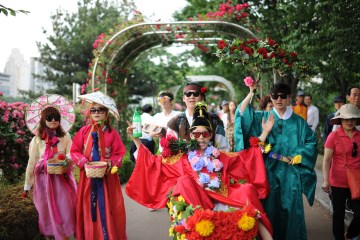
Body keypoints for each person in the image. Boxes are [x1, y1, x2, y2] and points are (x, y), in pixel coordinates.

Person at [126, 102, 273, 239]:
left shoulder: (221, 156)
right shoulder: (181, 158)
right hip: (197, 202)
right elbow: (154, 163)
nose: (201, 138)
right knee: (183, 182)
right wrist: (136, 140)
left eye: (205, 134)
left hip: (224, 195)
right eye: (197, 134)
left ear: (210, 135)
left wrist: (265, 132)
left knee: (247, 190)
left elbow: (247, 157)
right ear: (191, 136)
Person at [234, 82, 318, 240]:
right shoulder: (262, 117)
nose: (279, 99)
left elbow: (312, 142)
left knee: (292, 210)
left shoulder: (299, 122)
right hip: (268, 171)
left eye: (283, 96)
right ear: (270, 98)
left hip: (291, 173)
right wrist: (250, 93)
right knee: (268, 209)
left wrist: (298, 155)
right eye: (275, 96)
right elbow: (242, 116)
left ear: (289, 98)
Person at [70, 92, 127, 240]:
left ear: (107, 113)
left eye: (100, 110)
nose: (96, 113)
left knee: (109, 209)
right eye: (93, 110)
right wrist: (83, 162)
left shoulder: (112, 133)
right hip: (88, 179)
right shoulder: (84, 132)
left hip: (107, 180)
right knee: (88, 207)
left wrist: (109, 163)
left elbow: (119, 153)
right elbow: (74, 150)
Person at [23, 102, 77, 239]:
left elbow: (72, 153)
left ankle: (64, 235)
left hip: (61, 178)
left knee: (65, 208)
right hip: (43, 182)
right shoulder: (36, 140)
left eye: (56, 117)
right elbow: (32, 162)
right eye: (50, 117)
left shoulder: (65, 136)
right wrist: (27, 186)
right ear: (43, 120)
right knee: (45, 210)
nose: (53, 120)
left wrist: (64, 160)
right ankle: (50, 235)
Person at [322, 104, 360, 240]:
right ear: (340, 121)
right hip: (338, 182)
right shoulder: (333, 136)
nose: (349, 121)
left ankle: (349, 235)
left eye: (353, 118)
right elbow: (326, 160)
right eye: (346, 118)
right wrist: (326, 180)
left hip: (356, 182)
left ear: (356, 120)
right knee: (338, 215)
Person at [167, 82, 229, 151]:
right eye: (188, 94)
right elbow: (169, 147)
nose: (192, 96)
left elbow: (223, 147)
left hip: (211, 160)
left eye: (196, 94)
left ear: (202, 97)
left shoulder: (214, 119)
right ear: (183, 98)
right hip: (182, 161)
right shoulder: (175, 121)